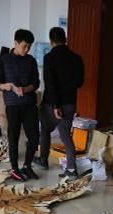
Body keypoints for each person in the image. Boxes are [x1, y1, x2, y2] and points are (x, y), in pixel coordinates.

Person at [33, 27, 84, 178]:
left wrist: (56, 105)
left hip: (51, 103)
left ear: (51, 41)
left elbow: (50, 83)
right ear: (65, 39)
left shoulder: (49, 58)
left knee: (45, 129)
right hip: (70, 102)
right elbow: (79, 82)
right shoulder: (77, 58)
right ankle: (71, 169)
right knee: (65, 135)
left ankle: (43, 160)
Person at [0, 29, 40, 181]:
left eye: (29, 47)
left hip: (29, 104)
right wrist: (6, 86)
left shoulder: (31, 60)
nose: (26, 49)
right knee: (13, 137)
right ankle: (14, 168)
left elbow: (36, 83)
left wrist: (25, 89)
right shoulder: (4, 60)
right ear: (15, 43)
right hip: (12, 105)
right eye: (24, 46)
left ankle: (27, 166)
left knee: (34, 137)